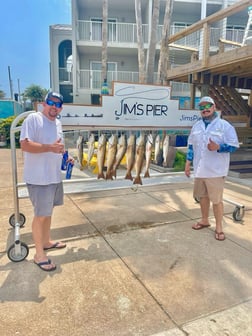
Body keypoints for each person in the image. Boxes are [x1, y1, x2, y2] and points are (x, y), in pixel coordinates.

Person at [20, 91, 72, 271]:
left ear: (61, 108)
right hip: (39, 178)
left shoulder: (57, 123)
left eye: (58, 104)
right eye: (51, 102)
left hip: (53, 176)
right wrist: (49, 148)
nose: (54, 107)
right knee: (40, 215)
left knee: (48, 212)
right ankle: (39, 254)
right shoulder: (33, 119)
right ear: (44, 103)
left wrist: (67, 157)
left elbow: (59, 147)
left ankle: (46, 241)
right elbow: (25, 144)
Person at [184, 96, 239, 241]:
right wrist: (188, 162)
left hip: (215, 171)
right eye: (202, 107)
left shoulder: (225, 126)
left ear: (214, 108)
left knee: (216, 200)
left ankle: (219, 227)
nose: (205, 109)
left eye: (208, 106)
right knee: (202, 197)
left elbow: (234, 146)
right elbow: (191, 145)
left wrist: (219, 147)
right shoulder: (196, 126)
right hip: (200, 169)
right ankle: (204, 220)